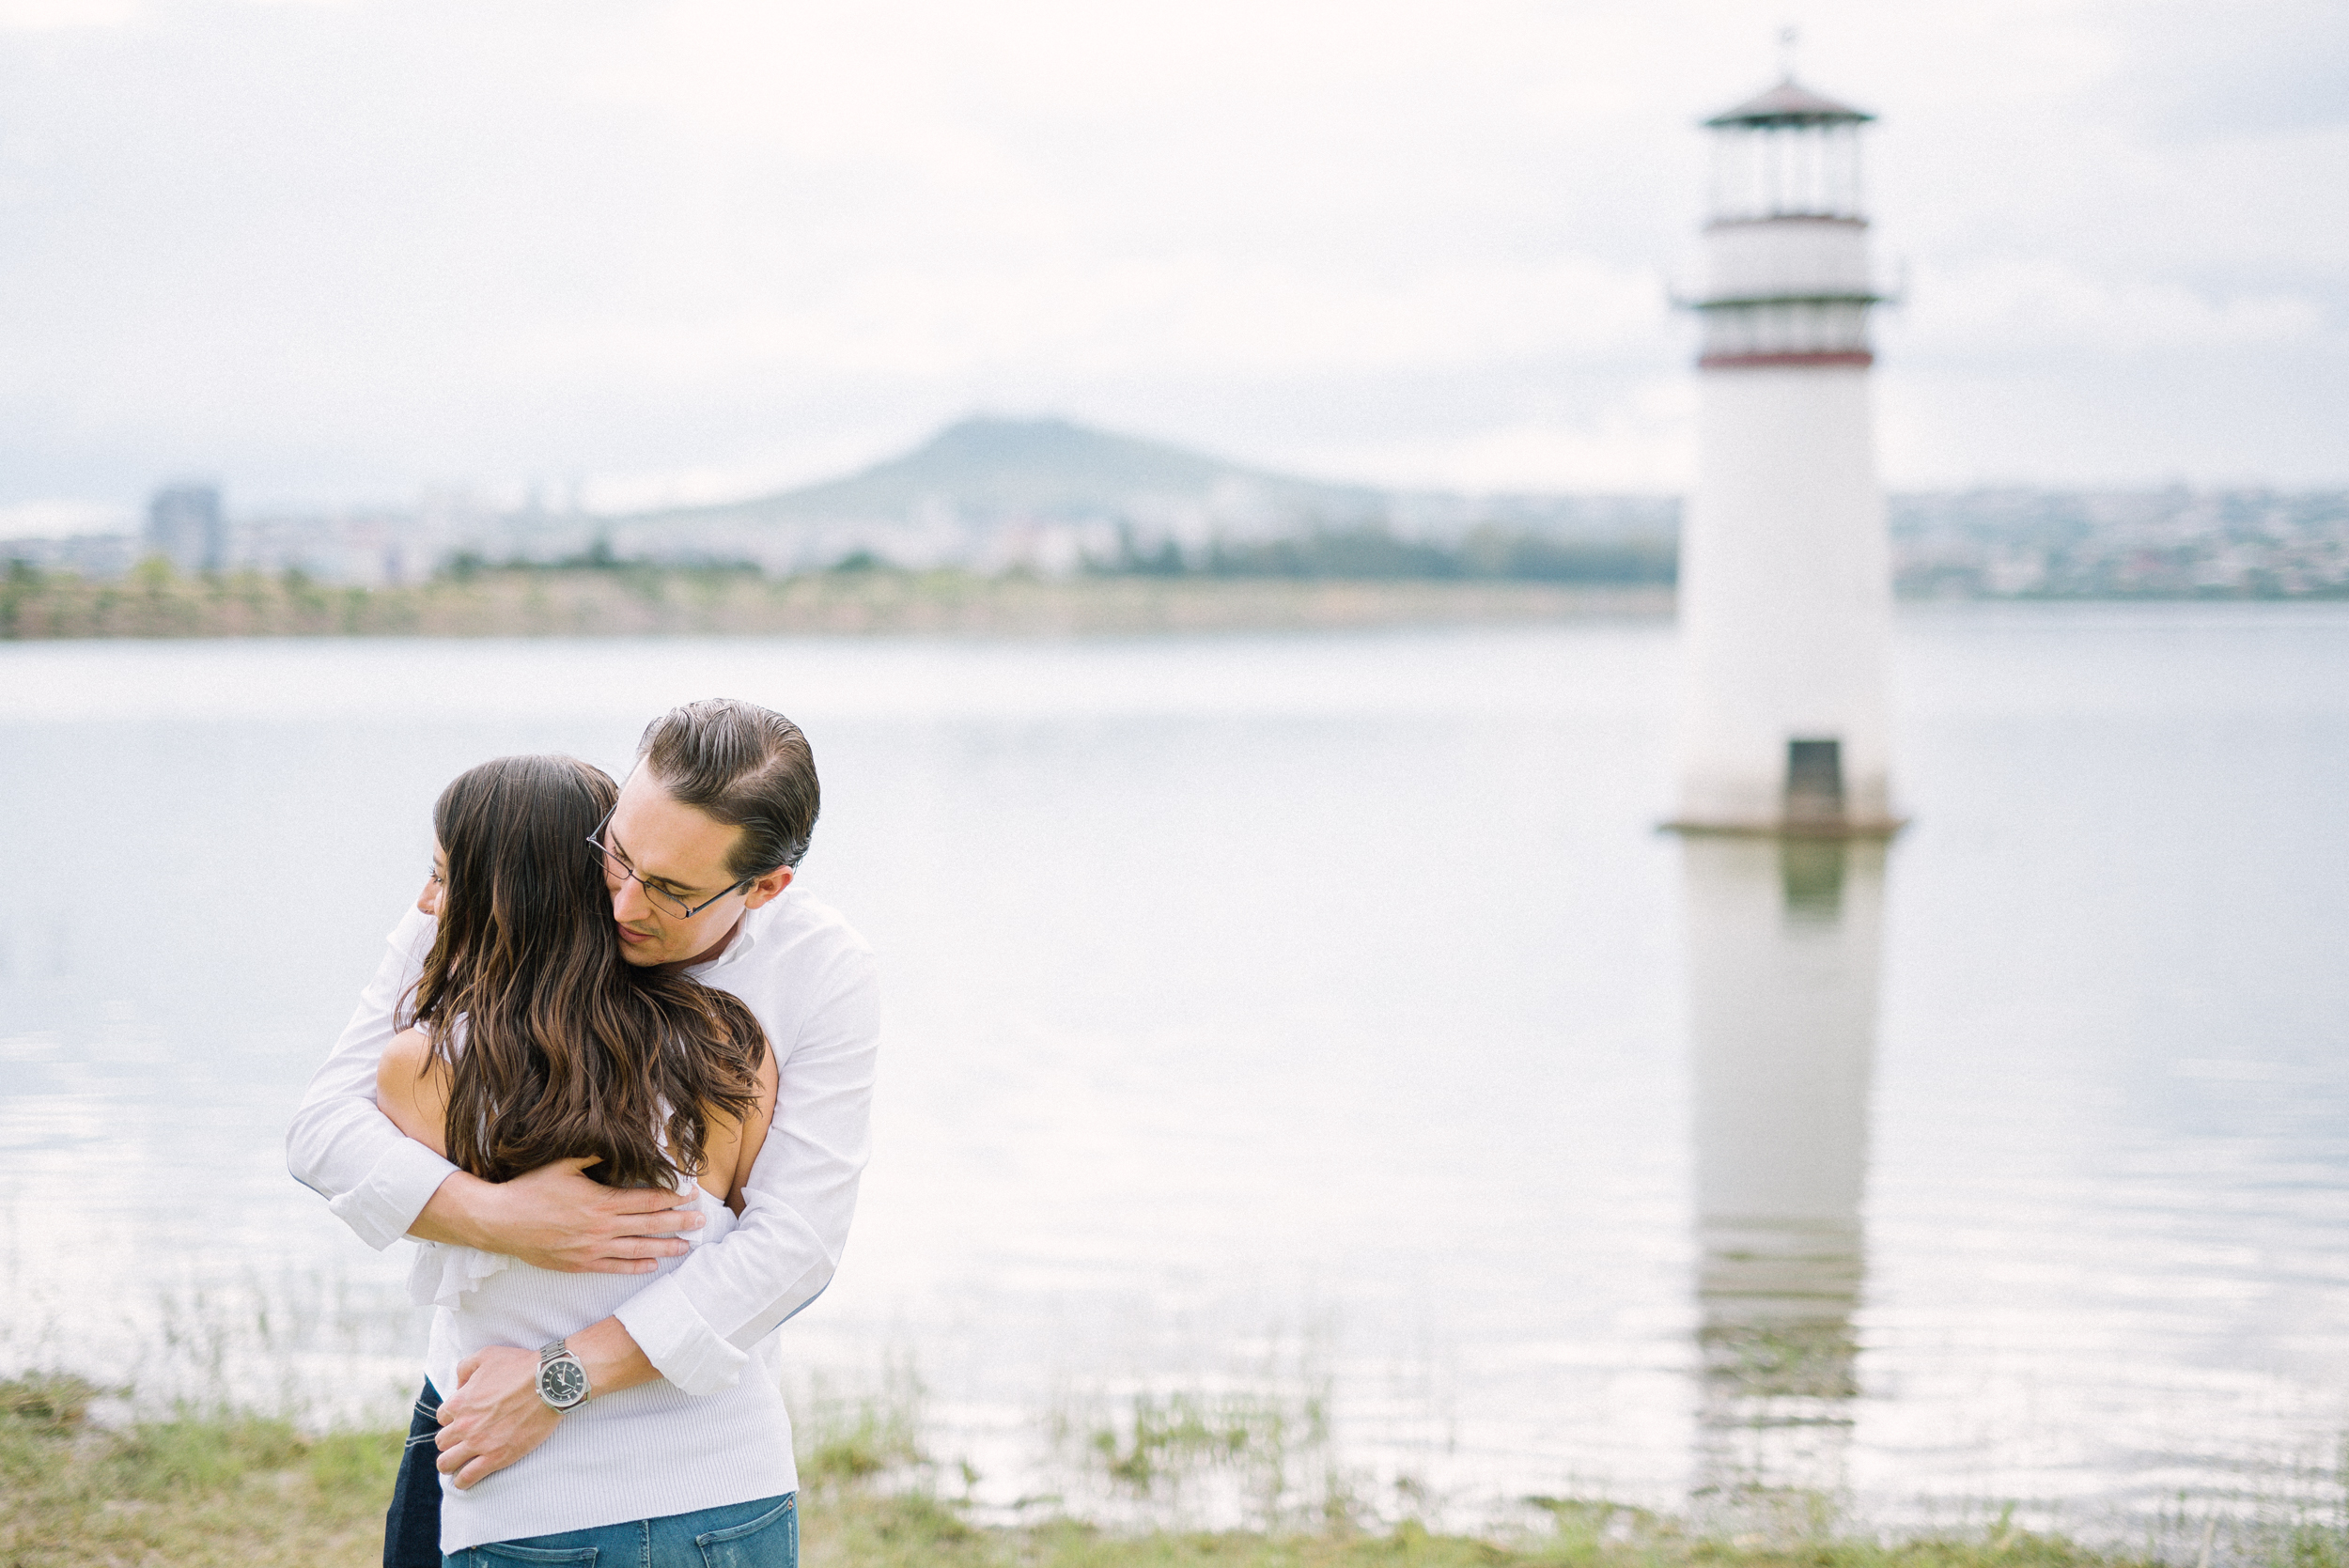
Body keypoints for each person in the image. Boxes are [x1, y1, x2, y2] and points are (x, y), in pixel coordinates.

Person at [285, 699, 879, 1567]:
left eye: (670, 890)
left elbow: (794, 1244)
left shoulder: (816, 972)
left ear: (764, 886)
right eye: (619, 855)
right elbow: (320, 1129)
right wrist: (497, 1216)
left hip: (672, 1448)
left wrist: (560, 1377)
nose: (624, 900)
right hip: (475, 1408)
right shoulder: (500, 891)